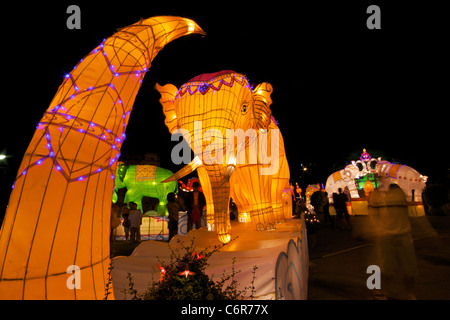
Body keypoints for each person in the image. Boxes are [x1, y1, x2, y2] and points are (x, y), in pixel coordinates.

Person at [368, 183, 419, 300]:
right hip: (385, 235)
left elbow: (406, 214)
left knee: (409, 268)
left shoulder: (400, 193)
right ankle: (377, 289)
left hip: (403, 234)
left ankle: (410, 293)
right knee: (385, 267)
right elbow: (373, 216)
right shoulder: (377, 195)